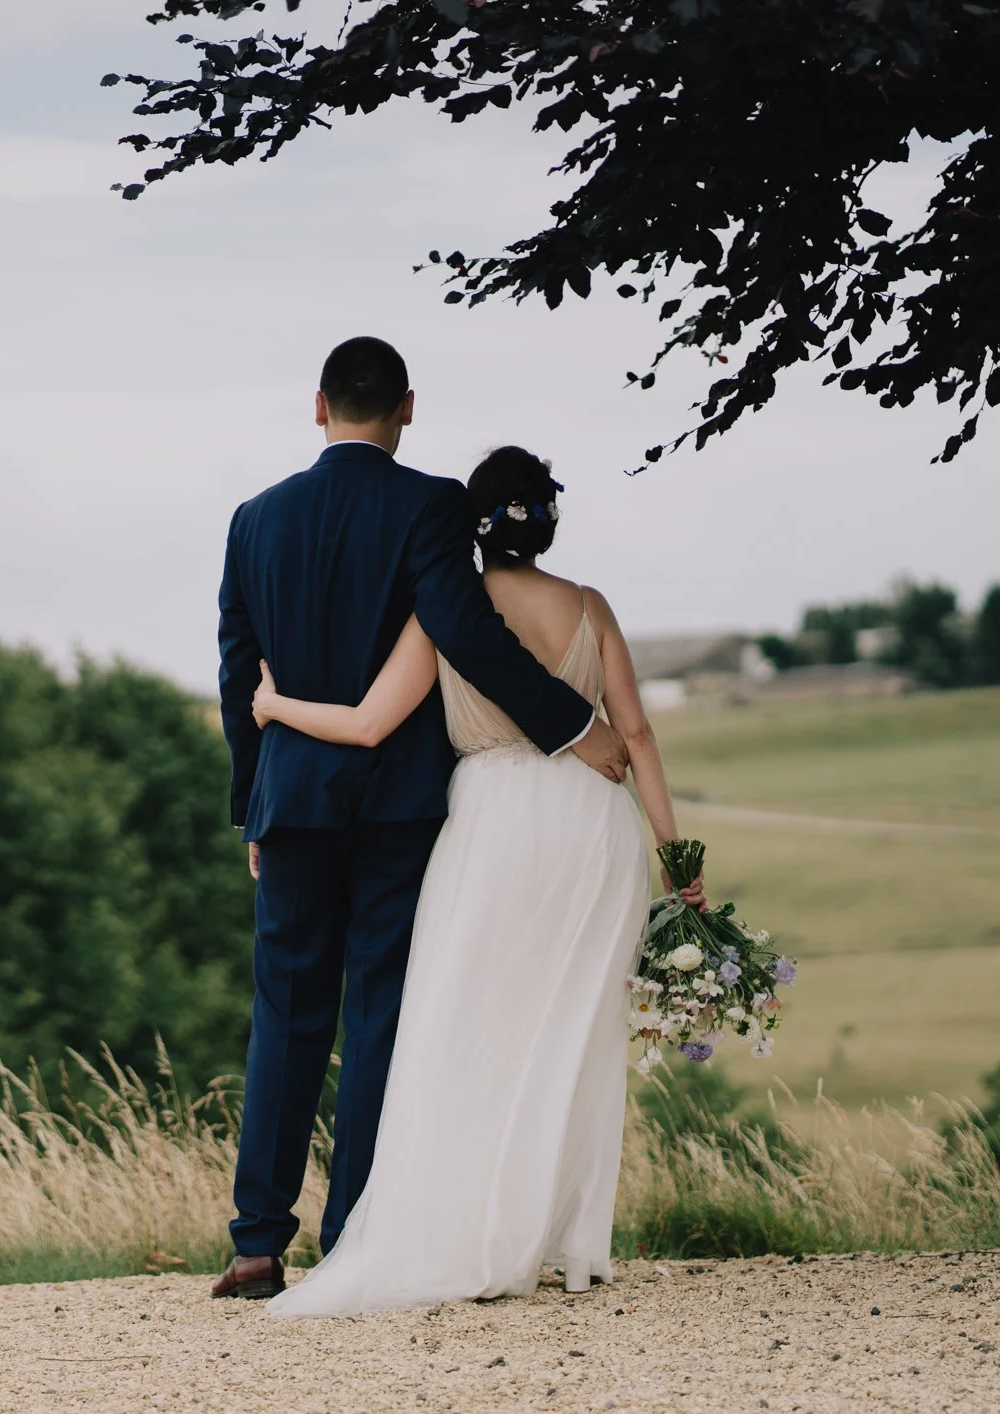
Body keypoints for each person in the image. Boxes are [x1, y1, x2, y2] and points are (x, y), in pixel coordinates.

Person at [210, 337, 634, 1302]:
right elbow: (465, 629)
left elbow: (241, 675)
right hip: (398, 805)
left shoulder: (252, 521)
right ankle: (354, 1235)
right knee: (379, 1014)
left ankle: (254, 1243)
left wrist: (251, 810)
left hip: (292, 802)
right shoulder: (430, 504)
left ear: (318, 406)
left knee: (284, 1013)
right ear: (406, 407)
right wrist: (574, 726)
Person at [254, 443, 699, 1317]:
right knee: (569, 1035)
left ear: (473, 526)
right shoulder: (589, 606)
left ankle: (468, 1229)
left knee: (467, 1024)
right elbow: (636, 736)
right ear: (549, 522)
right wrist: (675, 857)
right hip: (590, 827)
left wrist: (271, 707)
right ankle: (560, 1244)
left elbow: (369, 721)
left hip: (493, 824)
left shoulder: (445, 607)